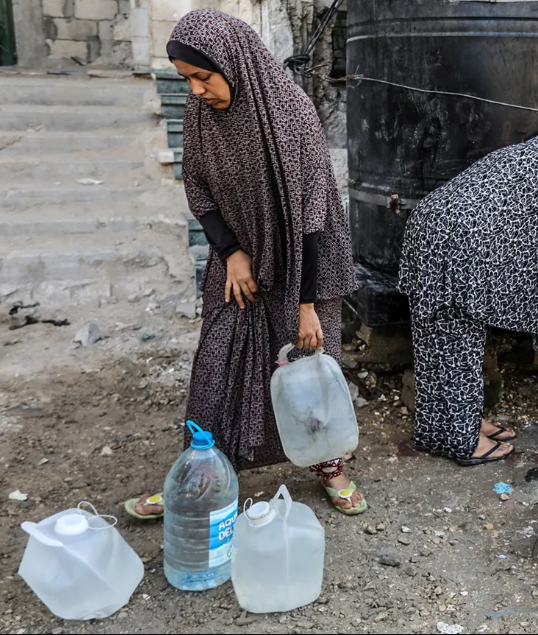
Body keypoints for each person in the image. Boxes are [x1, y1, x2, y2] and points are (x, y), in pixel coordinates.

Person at [126, 9, 366, 518]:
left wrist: (307, 307)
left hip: (303, 263)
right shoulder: (199, 115)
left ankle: (330, 468)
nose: (194, 91)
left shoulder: (290, 113)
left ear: (232, 64)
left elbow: (315, 215)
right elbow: (198, 188)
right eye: (185, 79)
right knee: (216, 367)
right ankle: (198, 474)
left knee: (309, 372)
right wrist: (233, 253)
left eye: (201, 77)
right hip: (238, 264)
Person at [399, 121, 538, 465]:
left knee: (433, 342)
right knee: (459, 346)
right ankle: (464, 442)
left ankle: (440, 429)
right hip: (458, 244)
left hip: (427, 229)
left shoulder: (521, 152)